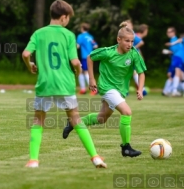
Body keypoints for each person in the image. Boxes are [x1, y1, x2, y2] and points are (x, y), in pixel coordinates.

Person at [22, 0, 106, 168]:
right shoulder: (68, 35)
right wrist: (76, 72)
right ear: (64, 17)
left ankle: (33, 160)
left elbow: (25, 54)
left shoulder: (39, 33)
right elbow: (75, 62)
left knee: (38, 120)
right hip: (65, 84)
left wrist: (30, 65)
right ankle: (95, 157)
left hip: (45, 83)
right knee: (75, 118)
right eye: (69, 18)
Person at [63, 21, 147, 158]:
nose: (130, 44)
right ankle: (126, 147)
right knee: (127, 112)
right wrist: (91, 79)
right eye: (127, 41)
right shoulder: (108, 52)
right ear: (118, 40)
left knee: (102, 118)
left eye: (132, 41)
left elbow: (141, 72)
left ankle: (74, 122)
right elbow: (90, 57)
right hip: (107, 88)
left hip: (120, 91)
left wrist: (140, 88)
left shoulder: (133, 54)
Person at [76, 22, 98, 95]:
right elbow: (95, 46)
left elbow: (77, 46)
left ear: (82, 28)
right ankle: (83, 89)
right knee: (82, 71)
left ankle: (93, 90)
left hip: (85, 56)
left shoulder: (80, 36)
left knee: (84, 72)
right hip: (91, 56)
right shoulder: (90, 36)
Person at [163, 27, 184, 96]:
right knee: (176, 74)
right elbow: (174, 51)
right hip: (177, 58)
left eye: (169, 32)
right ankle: (171, 90)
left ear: (173, 32)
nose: (167, 33)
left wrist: (171, 45)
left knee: (179, 75)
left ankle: (172, 90)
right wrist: (168, 52)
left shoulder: (174, 39)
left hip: (179, 58)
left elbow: (180, 40)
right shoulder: (173, 40)